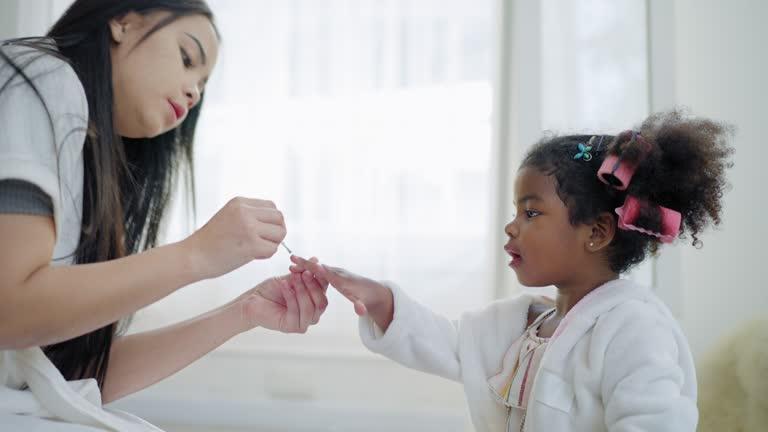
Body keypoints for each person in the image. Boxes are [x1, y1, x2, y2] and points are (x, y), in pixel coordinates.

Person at [290, 110, 734, 431]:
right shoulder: (525, 325)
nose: (511, 226)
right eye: (515, 211)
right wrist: (378, 298)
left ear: (596, 232)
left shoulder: (634, 328)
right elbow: (450, 344)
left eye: (531, 213)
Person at [0, 1, 328, 430]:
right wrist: (196, 255)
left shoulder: (91, 167)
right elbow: (10, 309)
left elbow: (70, 379)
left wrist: (245, 312)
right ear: (123, 21)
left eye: (202, 87)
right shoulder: (43, 75)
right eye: (187, 58)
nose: (194, 93)